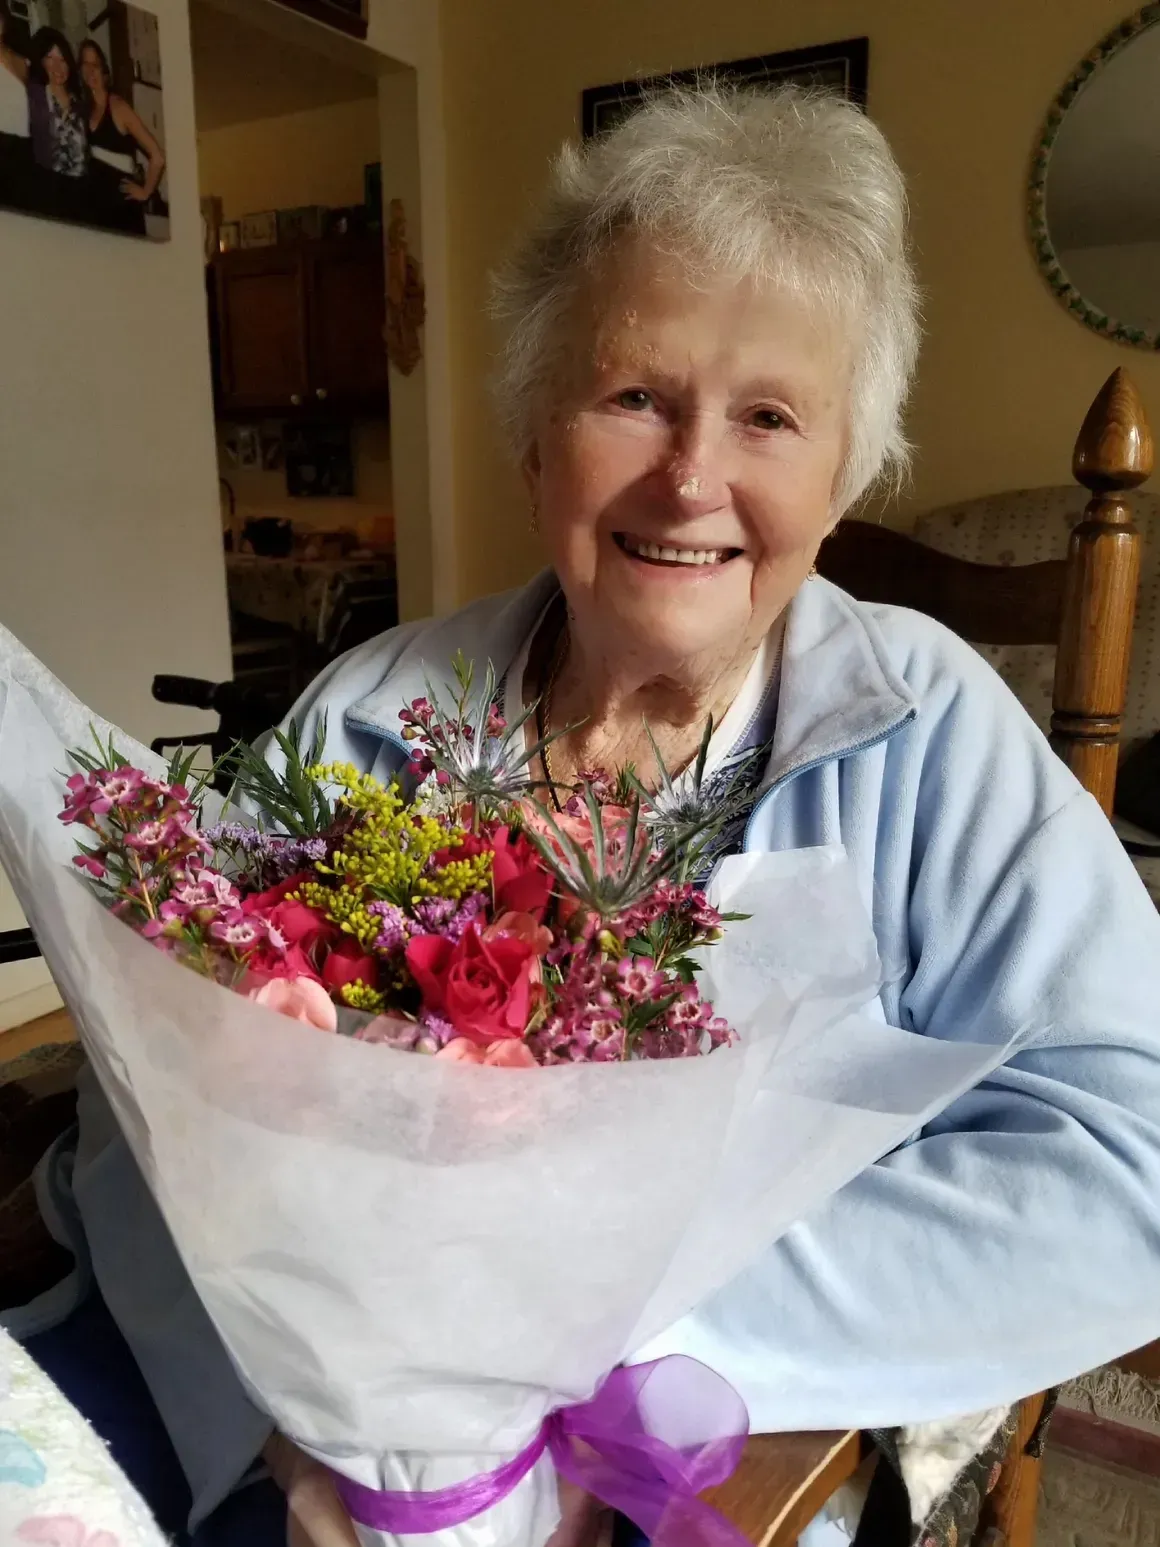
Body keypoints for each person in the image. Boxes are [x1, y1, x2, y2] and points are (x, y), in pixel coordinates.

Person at [11, 83, 1160, 1547]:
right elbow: (165, 1086)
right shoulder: (373, 712)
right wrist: (308, 1407)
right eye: (634, 395)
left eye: (769, 415)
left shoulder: (929, 729)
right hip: (296, 1425)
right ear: (533, 434)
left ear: (844, 470)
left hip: (713, 1427)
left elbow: (1137, 1157)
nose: (692, 474)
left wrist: (601, 1371)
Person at [77, 38, 164, 237]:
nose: (91, 70)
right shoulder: (85, 112)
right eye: (86, 64)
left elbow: (157, 156)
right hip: (96, 210)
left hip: (121, 212)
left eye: (96, 64)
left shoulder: (117, 106)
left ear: (104, 70)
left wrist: (145, 192)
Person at [0, 25, 87, 220]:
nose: (57, 66)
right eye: (50, 58)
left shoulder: (81, 105)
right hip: (46, 192)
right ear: (41, 61)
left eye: (62, 59)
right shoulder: (34, 95)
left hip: (80, 196)